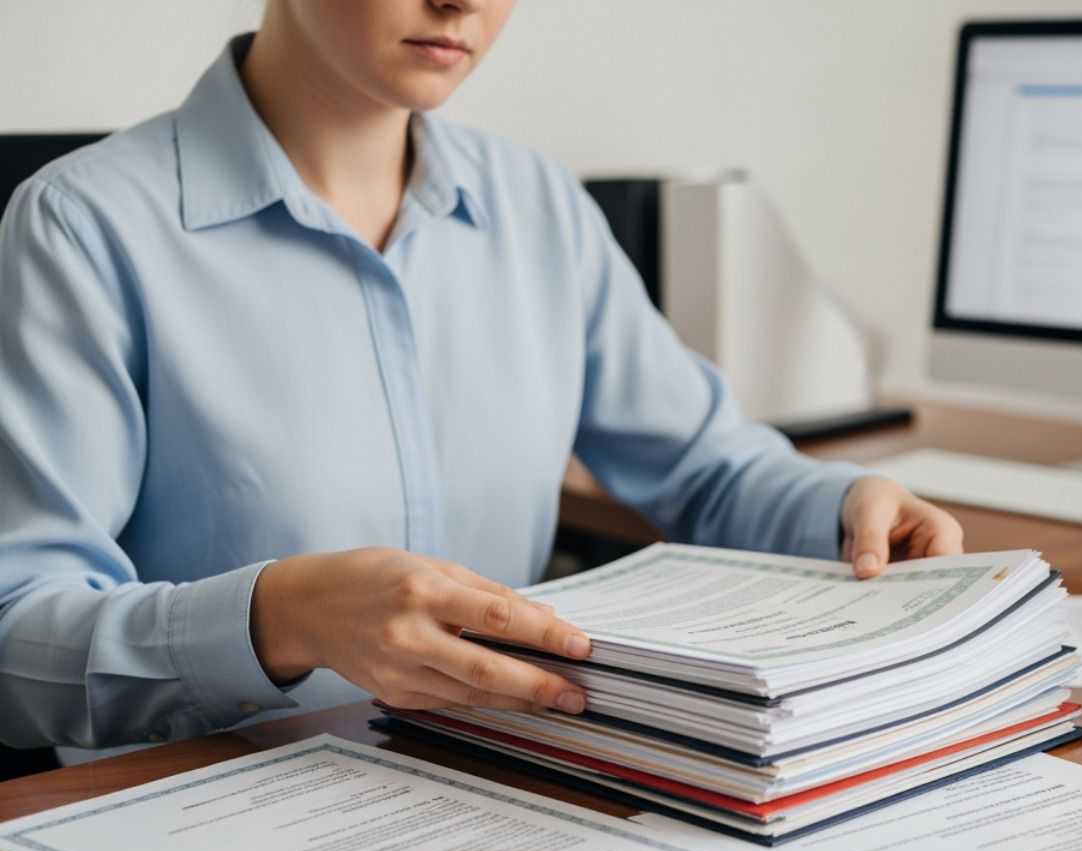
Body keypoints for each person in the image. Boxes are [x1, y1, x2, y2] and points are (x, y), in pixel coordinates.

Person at [0, 0, 962, 760]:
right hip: (198, 822)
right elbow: (16, 641)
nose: (462, 1)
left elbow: (705, 466)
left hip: (501, 782)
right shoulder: (82, 230)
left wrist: (842, 508)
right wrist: (278, 617)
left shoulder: (538, 205)